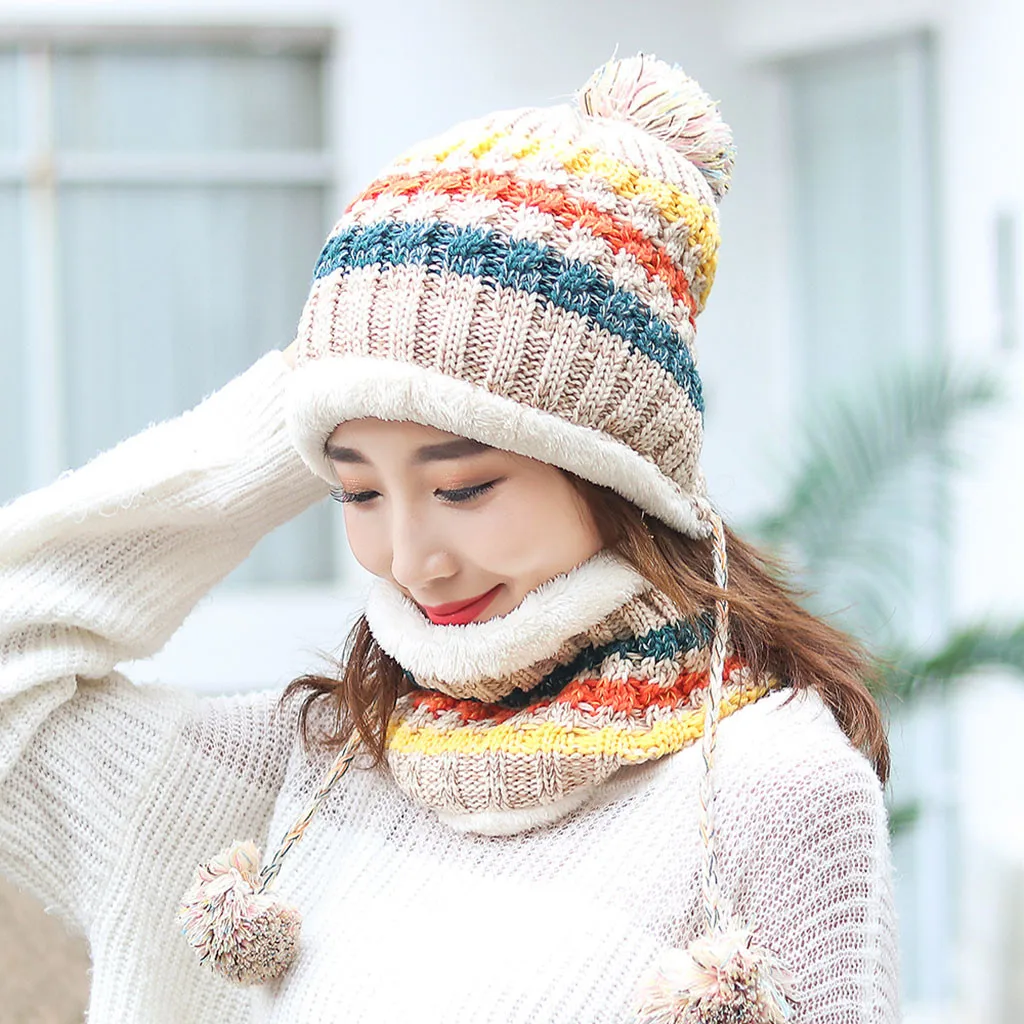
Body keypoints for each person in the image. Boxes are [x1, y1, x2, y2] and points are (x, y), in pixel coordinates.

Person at [0, 53, 899, 1023]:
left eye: (463, 488)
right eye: (355, 493)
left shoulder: (772, 793)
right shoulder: (318, 761)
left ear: (617, 473)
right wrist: (306, 395)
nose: (410, 559)